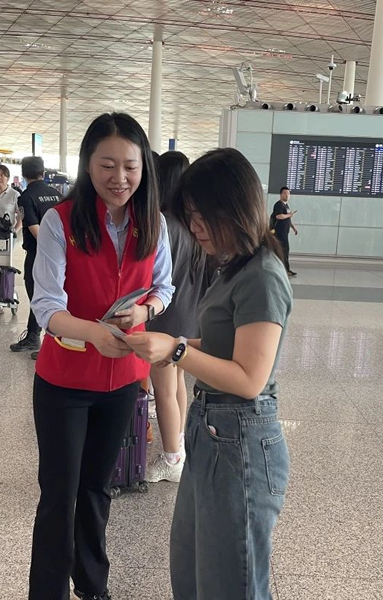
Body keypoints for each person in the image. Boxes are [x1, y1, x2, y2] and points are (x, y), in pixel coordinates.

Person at [125, 148, 292, 600]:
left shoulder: (262, 276)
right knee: (193, 568)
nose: (194, 226)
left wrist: (177, 349)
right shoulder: (233, 267)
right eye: (190, 215)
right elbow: (222, 346)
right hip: (213, 430)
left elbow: (249, 379)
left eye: (201, 215)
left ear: (233, 207)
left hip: (241, 440)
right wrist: (171, 345)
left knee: (230, 581)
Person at [28, 112, 174, 600]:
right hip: (65, 381)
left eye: (130, 166)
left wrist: (146, 310)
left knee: (96, 489)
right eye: (107, 165)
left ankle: (93, 586)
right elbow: (47, 306)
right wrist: (93, 332)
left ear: (144, 168)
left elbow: (164, 287)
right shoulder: (61, 221)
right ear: (87, 164)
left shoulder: (153, 223)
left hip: (123, 379)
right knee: (59, 494)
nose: (119, 178)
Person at [146, 151, 207, 483]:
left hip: (166, 318)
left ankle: (171, 458)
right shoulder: (193, 225)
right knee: (179, 383)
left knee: (164, 391)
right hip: (190, 315)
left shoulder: (163, 224)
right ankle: (179, 446)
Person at [10, 157, 61, 355]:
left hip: (38, 254)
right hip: (61, 255)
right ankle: (34, 335)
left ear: (23, 174)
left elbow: (34, 228)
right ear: (44, 173)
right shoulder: (56, 194)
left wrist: (48, 251)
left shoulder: (26, 197)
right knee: (55, 295)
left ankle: (49, 342)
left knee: (37, 297)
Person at [273, 186, 298, 277]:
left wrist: (293, 227)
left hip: (285, 232)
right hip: (279, 232)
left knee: (285, 250)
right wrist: (289, 215)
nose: (287, 195)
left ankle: (285, 269)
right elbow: (279, 216)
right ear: (281, 194)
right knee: (283, 250)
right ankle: (285, 270)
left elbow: (288, 219)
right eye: (285, 193)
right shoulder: (279, 205)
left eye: (288, 193)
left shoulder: (286, 205)